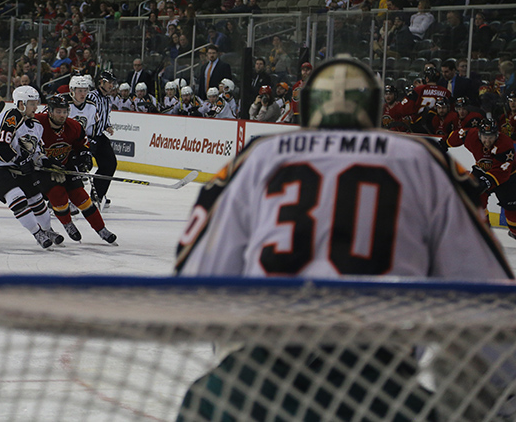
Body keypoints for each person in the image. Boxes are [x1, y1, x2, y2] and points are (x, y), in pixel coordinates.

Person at [174, 57, 513, 422]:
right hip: (379, 383)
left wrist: (233, 355)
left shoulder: (258, 156)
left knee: (203, 403)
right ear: (373, 109)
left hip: (261, 372)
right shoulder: (426, 161)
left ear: (308, 108)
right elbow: (486, 296)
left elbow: (198, 277)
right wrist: (502, 396)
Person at [0, 85, 64, 250]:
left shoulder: (36, 125)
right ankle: (37, 233)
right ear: (21, 103)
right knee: (17, 198)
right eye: (32, 103)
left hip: (15, 167)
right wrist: (20, 160)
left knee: (36, 199)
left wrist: (46, 162)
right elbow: (1, 148)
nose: (35, 107)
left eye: (36, 103)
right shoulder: (11, 116)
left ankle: (48, 230)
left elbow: (36, 152)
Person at [35, 95, 117, 244]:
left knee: (81, 197)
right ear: (50, 112)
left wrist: (83, 157)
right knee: (58, 195)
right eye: (58, 112)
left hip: (66, 166)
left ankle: (101, 229)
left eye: (65, 111)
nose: (62, 115)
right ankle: (68, 224)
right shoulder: (38, 123)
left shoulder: (74, 126)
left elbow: (82, 146)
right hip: (44, 169)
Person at [444, 118, 516, 238]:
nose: (487, 141)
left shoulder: (505, 144)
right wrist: (444, 143)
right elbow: (458, 134)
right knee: (476, 199)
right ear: (479, 134)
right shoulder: (472, 135)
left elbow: (502, 171)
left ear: (497, 135)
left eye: (491, 137)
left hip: (508, 177)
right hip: (482, 171)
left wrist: (486, 182)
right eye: (485, 137)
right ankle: (484, 232)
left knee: (512, 210)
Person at [87, 71, 119, 208]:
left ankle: (97, 195)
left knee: (110, 164)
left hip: (100, 136)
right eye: (109, 82)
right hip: (88, 137)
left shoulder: (107, 98)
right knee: (82, 166)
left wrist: (107, 126)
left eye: (112, 83)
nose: (111, 85)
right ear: (101, 82)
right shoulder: (91, 97)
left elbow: (103, 116)